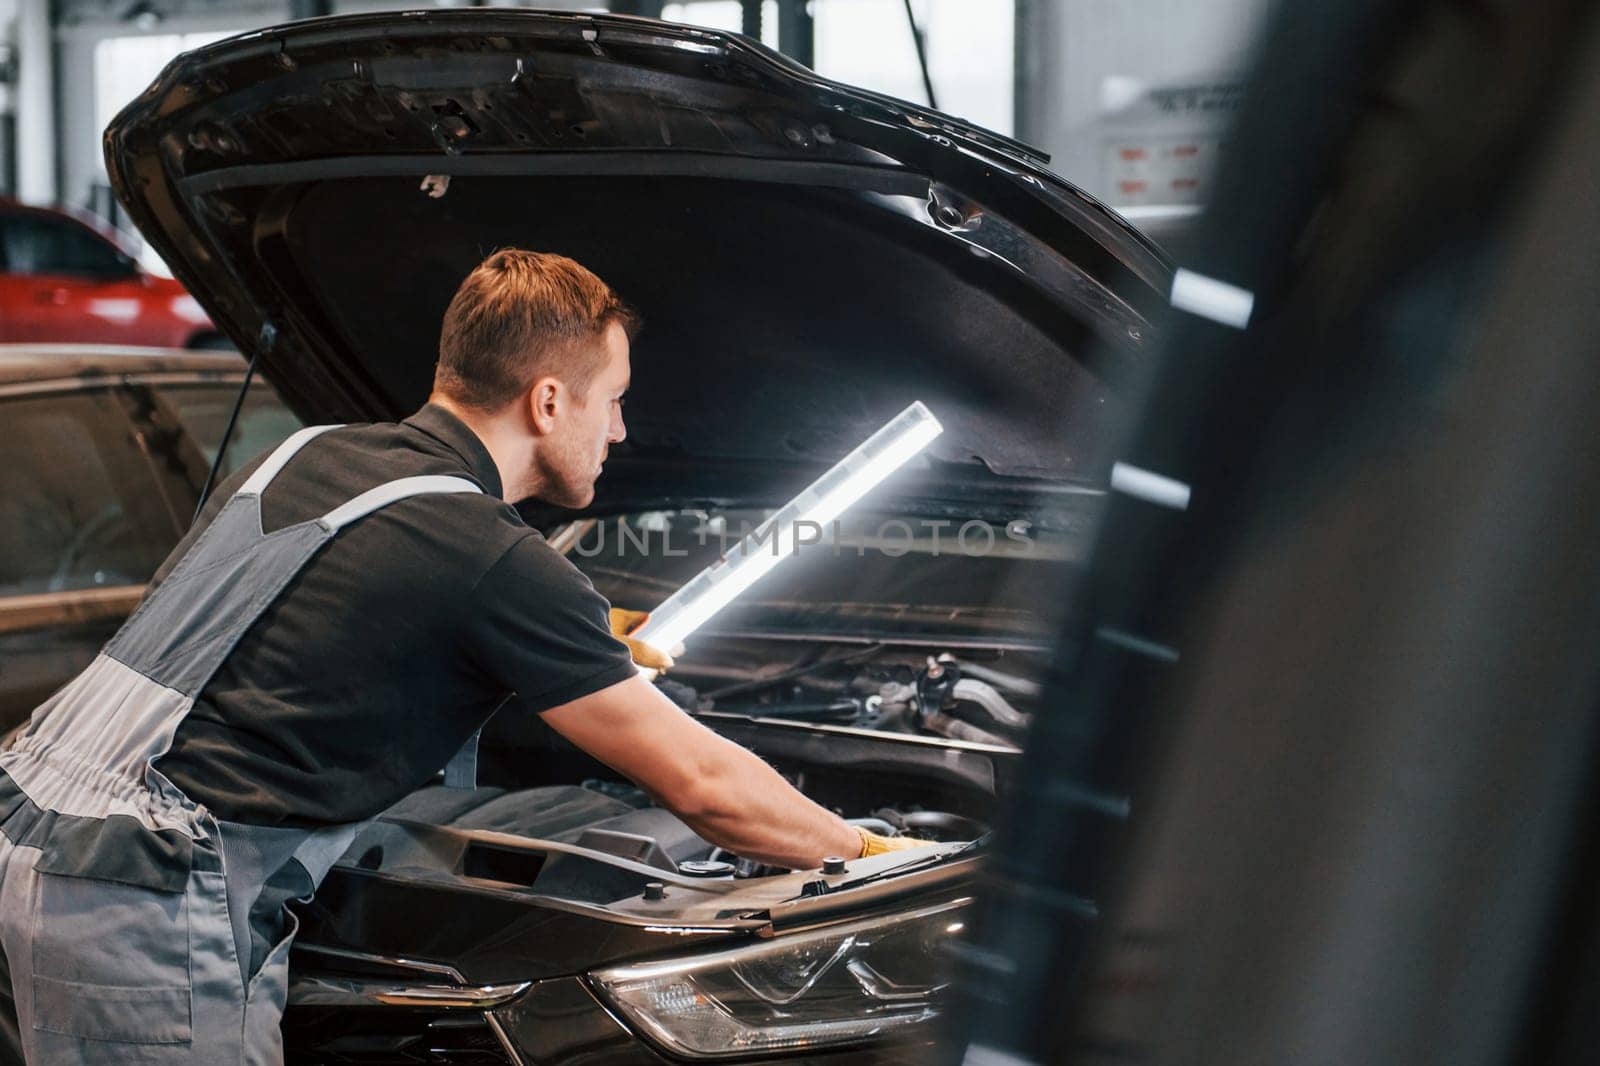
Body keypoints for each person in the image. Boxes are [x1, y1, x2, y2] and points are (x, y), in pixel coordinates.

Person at [0, 249, 917, 1064]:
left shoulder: (306, 453)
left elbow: (282, 630)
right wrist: (869, 848)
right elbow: (706, 787)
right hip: (142, 896)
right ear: (549, 399)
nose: (623, 432)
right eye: (615, 401)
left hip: (32, 824)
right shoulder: (489, 553)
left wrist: (577, 640)